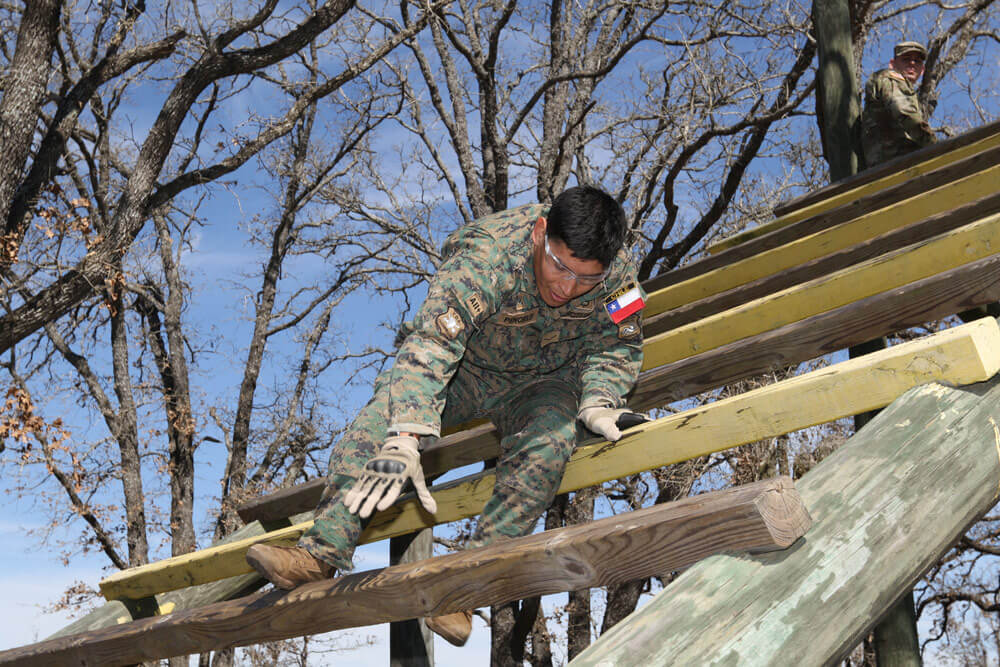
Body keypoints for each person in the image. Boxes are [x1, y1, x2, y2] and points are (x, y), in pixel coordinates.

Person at [246, 185, 647, 646]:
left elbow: (619, 345)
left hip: (543, 381)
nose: (567, 286)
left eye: (585, 280)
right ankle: (318, 554)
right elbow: (433, 344)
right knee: (376, 430)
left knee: (552, 442)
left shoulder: (620, 279)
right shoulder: (486, 255)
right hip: (463, 370)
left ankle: (463, 586)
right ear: (541, 232)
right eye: (559, 266)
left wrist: (598, 400)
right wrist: (406, 435)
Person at [861, 40, 936, 167]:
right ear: (892, 64)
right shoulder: (889, 78)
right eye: (906, 59)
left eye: (917, 61)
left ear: (922, 70)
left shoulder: (908, 92)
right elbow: (903, 111)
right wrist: (934, 146)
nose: (912, 63)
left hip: (893, 163)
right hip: (892, 162)